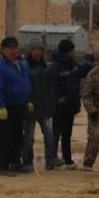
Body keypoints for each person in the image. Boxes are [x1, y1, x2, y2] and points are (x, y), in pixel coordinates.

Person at [0, 36, 33, 177]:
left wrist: (28, 100)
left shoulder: (21, 64)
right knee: (6, 137)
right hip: (5, 107)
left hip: (18, 106)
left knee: (18, 137)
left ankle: (15, 162)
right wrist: (0, 105)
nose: (13, 50)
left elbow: (24, 84)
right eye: (10, 48)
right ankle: (3, 166)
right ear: (4, 50)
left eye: (15, 47)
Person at [47, 38, 94, 168]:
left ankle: (67, 160)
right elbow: (52, 86)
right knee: (56, 134)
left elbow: (83, 72)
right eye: (72, 50)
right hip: (58, 107)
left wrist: (89, 57)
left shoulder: (71, 65)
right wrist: (60, 99)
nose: (74, 52)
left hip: (70, 106)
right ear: (67, 52)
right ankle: (52, 159)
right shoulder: (56, 67)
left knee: (67, 134)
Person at [21, 41, 59, 170]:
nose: (37, 52)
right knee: (28, 138)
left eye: (39, 49)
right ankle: (27, 162)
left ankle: (50, 160)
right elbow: (23, 88)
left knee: (49, 136)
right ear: (29, 51)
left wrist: (51, 103)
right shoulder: (24, 66)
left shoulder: (45, 67)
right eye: (34, 49)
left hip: (45, 108)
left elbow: (50, 87)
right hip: (30, 108)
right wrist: (26, 102)